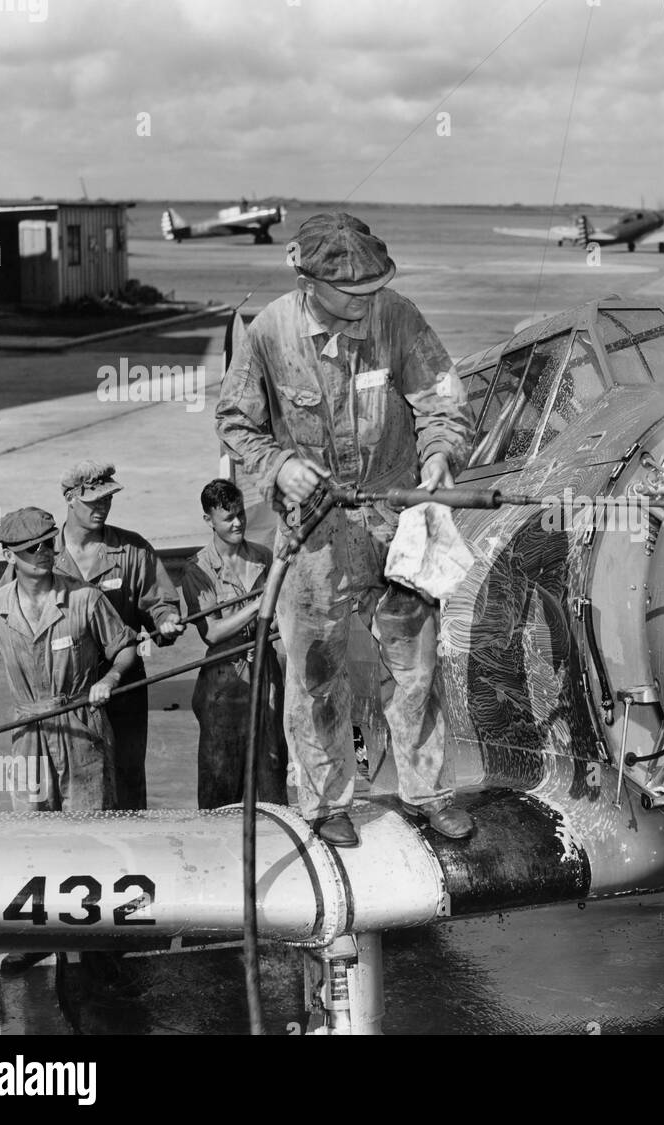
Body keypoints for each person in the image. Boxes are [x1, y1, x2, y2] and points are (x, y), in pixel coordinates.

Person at [215, 211, 473, 847]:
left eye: (372, 288)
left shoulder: (398, 316)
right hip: (315, 537)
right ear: (308, 282)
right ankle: (327, 804)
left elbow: (442, 398)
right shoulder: (270, 333)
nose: (365, 302)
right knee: (316, 672)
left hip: (395, 521)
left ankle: (427, 793)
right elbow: (234, 421)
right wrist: (279, 466)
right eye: (350, 292)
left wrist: (438, 452)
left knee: (414, 669)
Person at [0, 507, 137, 812]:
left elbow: (125, 647)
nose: (44, 552)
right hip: (28, 732)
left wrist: (109, 679)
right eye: (32, 549)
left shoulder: (85, 598)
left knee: (91, 830)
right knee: (31, 834)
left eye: (49, 544)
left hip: (82, 724)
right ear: (9, 557)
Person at [52, 460, 185, 810]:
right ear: (69, 499)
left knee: (125, 781)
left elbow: (159, 604)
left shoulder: (132, 550)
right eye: (93, 500)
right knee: (68, 782)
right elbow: (5, 609)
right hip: (63, 692)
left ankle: (130, 856)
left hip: (122, 685)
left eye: (108, 498)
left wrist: (166, 620)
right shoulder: (41, 554)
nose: (103, 507)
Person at [181, 479, 289, 809]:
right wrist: (258, 605)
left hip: (265, 672)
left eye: (240, 514)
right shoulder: (198, 569)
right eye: (227, 517)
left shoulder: (263, 557)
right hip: (224, 682)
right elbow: (211, 632)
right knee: (220, 779)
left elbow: (281, 614)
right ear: (208, 520)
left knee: (271, 768)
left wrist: (272, 620)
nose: (237, 523)